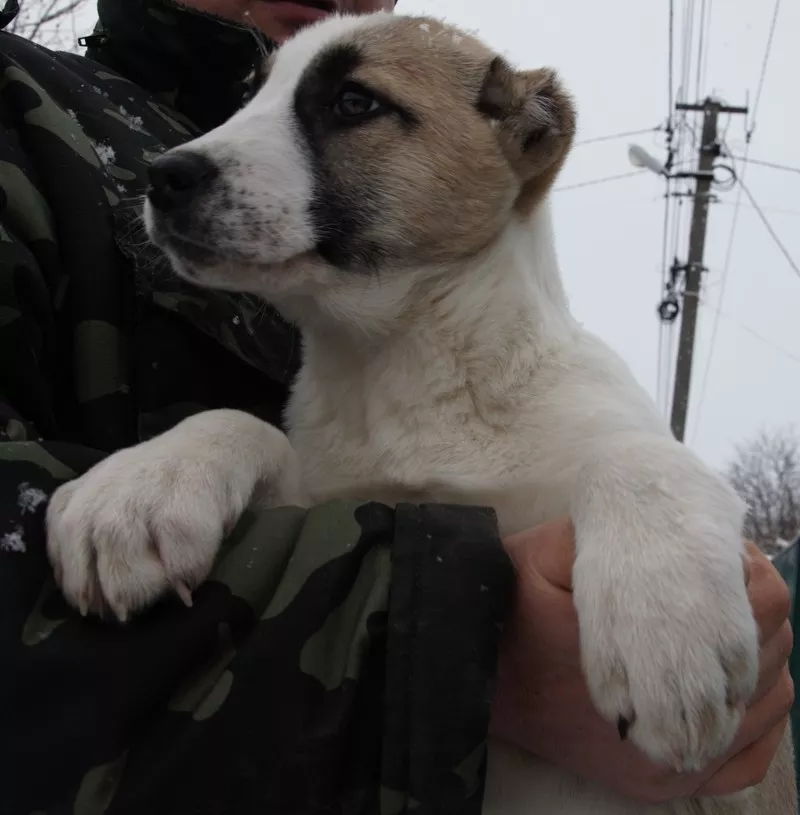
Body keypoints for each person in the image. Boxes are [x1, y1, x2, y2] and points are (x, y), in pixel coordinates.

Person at [0, 0, 792, 812]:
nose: (196, 155)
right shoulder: (29, 123)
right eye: (259, 98)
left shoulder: (589, 423)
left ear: (523, 138)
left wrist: (647, 487)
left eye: (353, 104)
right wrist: (224, 444)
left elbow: (735, 711)